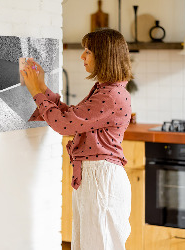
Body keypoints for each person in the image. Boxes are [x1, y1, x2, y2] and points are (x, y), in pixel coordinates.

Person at [21, 28, 133, 250]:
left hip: (101, 179)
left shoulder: (110, 95)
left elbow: (64, 125)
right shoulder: (106, 90)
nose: (82, 56)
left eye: (88, 51)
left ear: (104, 56)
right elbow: (72, 117)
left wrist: (36, 92)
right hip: (96, 177)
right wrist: (42, 87)